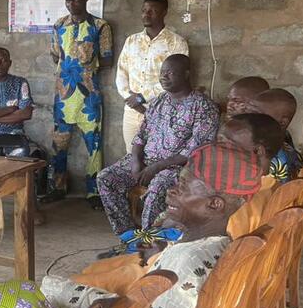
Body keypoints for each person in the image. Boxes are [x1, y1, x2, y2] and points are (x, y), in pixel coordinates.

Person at [42, 143, 263, 308]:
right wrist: (122, 306)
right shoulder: (212, 243)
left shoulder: (187, 267)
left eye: (183, 186)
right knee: (49, 288)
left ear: (214, 205)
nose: (171, 191)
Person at [69, 113, 284, 295]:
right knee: (97, 268)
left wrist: (164, 250)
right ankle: (129, 246)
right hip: (168, 255)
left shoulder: (239, 203)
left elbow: (166, 271)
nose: (220, 147)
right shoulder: (257, 188)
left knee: (82, 280)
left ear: (257, 152)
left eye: (228, 144)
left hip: (159, 273)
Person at [98, 55, 218, 235]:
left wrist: (156, 167)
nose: (164, 77)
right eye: (162, 73)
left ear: (186, 74)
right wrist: (136, 162)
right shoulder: (159, 102)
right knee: (105, 178)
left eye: (170, 73)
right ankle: (128, 236)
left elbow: (194, 151)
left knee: (158, 187)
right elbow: (140, 136)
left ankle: (148, 240)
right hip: (146, 161)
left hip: (178, 166)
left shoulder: (203, 106)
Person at [46, 0, 113, 209]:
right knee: (59, 145)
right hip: (63, 97)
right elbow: (56, 56)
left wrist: (85, 67)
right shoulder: (58, 25)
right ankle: (58, 187)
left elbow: (107, 59)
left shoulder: (100, 26)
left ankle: (94, 192)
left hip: (89, 97)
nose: (71, 4)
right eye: (67, 0)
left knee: (93, 145)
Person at [115, 0, 188, 151]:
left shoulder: (176, 43)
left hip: (161, 110)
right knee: (130, 156)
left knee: (157, 154)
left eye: (152, 11)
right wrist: (131, 99)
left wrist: (143, 98)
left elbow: (177, 79)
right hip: (132, 111)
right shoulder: (131, 41)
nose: (146, 14)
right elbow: (121, 73)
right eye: (144, 10)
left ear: (164, 13)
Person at [243, 88, 303, 182]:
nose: (248, 118)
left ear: (282, 122)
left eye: (258, 114)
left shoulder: (273, 159)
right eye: (249, 112)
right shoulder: (280, 142)